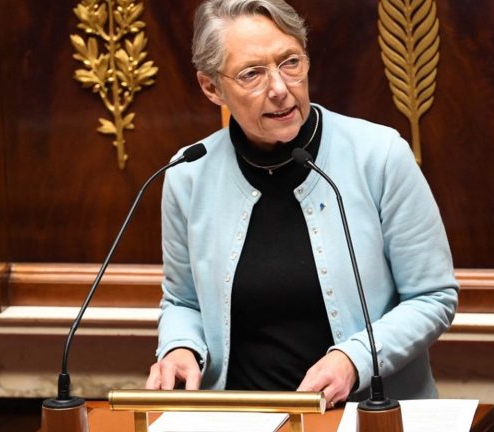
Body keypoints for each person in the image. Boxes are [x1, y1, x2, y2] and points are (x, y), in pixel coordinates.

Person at [145, 0, 458, 408]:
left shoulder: (379, 155)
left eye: (290, 62)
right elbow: (183, 301)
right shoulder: (189, 173)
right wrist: (180, 347)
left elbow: (433, 297)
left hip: (365, 414)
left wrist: (354, 358)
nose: (279, 88)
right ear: (211, 87)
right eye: (252, 73)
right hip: (242, 416)